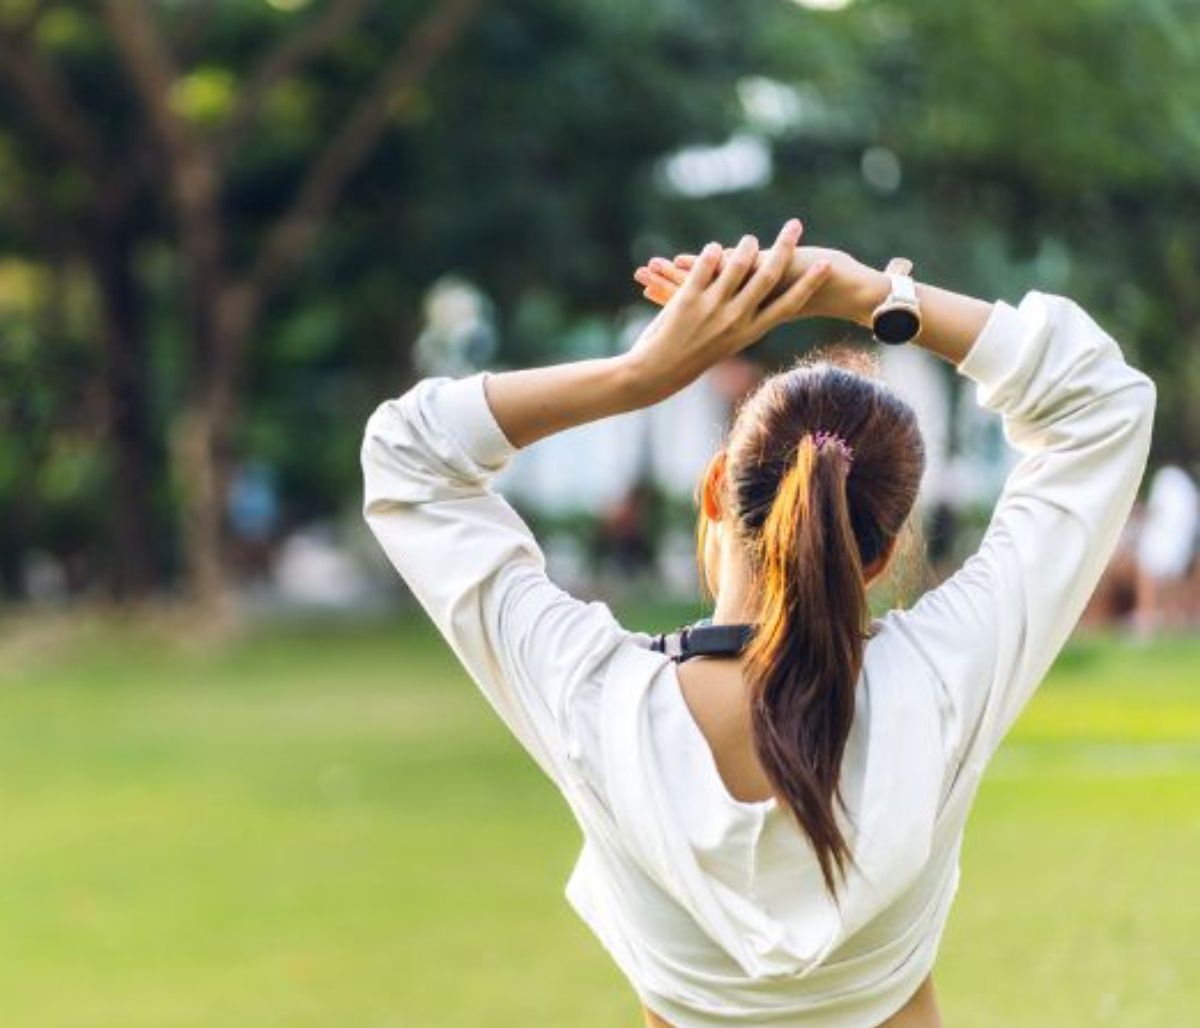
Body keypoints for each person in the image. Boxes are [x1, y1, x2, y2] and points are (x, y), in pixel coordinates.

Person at [360, 219, 1155, 1027]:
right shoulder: (942, 680)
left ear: (714, 491)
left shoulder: (595, 702)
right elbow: (1099, 405)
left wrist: (639, 376)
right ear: (877, 556)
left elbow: (409, 455)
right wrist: (877, 294)